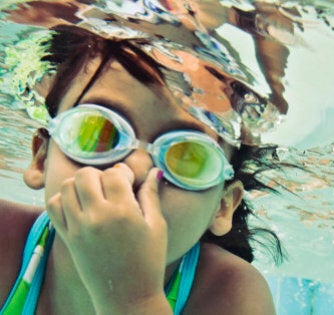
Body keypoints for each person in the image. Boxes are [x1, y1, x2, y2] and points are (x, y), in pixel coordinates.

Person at [0, 9, 287, 315]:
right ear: (42, 159)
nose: (134, 169)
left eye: (188, 156)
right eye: (97, 131)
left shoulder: (230, 294)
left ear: (222, 206)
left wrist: (132, 299)